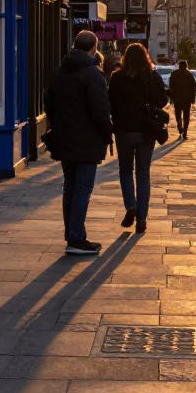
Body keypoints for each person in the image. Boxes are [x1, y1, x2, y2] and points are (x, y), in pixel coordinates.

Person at [45, 30, 113, 255]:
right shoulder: (93, 74)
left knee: (70, 189)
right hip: (87, 142)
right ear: (93, 48)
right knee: (82, 190)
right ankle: (76, 239)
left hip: (65, 140)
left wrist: (58, 128)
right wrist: (107, 135)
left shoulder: (59, 72)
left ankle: (72, 234)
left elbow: (49, 106)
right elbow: (100, 112)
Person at [108, 43, 168, 234]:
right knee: (143, 173)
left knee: (125, 170)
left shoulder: (117, 78)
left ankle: (131, 206)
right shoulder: (152, 76)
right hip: (146, 130)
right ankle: (141, 219)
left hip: (124, 131)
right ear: (146, 57)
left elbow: (110, 104)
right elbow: (164, 100)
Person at [169, 61, 196, 139]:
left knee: (178, 114)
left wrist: (171, 97)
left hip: (177, 98)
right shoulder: (189, 75)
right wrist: (193, 99)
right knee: (186, 116)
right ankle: (185, 131)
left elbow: (171, 87)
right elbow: (193, 87)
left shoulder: (174, 74)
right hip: (187, 99)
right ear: (186, 66)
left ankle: (179, 125)